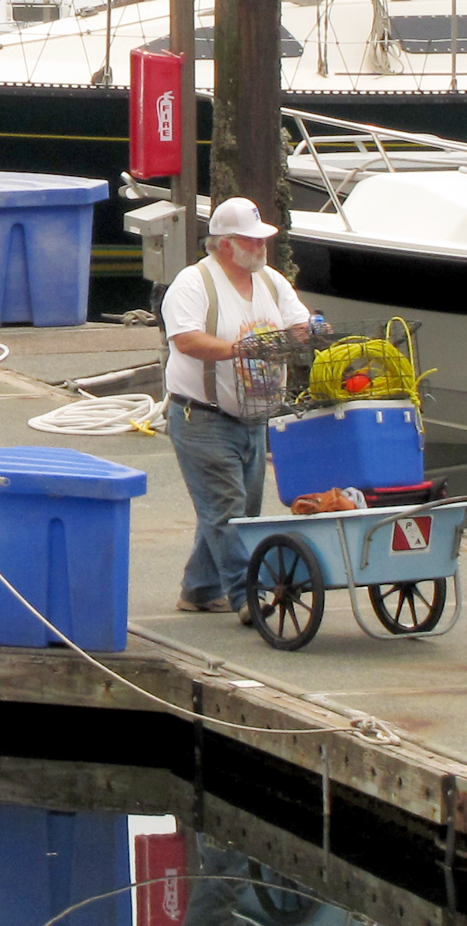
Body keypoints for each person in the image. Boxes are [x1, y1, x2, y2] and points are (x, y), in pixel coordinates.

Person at [160, 198, 316, 618]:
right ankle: (247, 595)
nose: (262, 245)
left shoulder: (271, 281)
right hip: (202, 416)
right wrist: (241, 350)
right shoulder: (193, 283)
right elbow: (186, 340)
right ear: (226, 244)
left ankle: (199, 589)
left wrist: (310, 330)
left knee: (237, 510)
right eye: (252, 238)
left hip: (253, 416)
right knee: (227, 512)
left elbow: (297, 322)